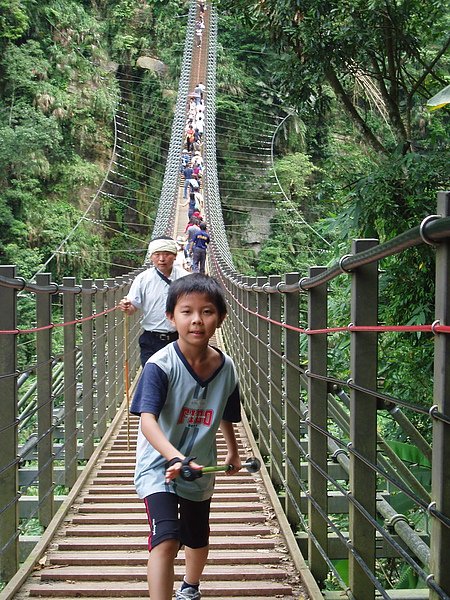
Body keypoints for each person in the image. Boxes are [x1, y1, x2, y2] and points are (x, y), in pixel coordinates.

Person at [129, 273, 242, 600]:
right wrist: (173, 456)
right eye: (186, 311)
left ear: (220, 318)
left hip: (200, 466)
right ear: (170, 318)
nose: (197, 320)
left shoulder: (227, 367)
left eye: (207, 311)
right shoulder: (159, 365)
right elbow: (147, 421)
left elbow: (227, 411)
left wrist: (232, 452)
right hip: (157, 467)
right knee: (166, 537)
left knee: (196, 535)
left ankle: (190, 586)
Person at [118, 237, 189, 367]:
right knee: (152, 379)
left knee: (177, 379)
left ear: (174, 256)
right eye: (157, 255)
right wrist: (127, 308)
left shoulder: (186, 279)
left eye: (166, 254)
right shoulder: (142, 279)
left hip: (180, 339)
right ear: (151, 257)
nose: (161, 259)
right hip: (151, 339)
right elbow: (133, 308)